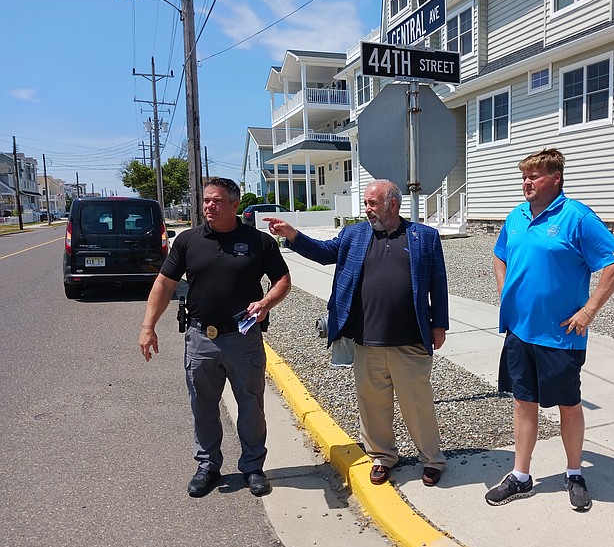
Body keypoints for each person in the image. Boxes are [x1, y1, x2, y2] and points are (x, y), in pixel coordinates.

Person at [267, 179, 449, 487]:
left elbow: (438, 284)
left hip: (410, 341)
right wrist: (293, 235)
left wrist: (439, 324)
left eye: (373, 203)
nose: (367, 209)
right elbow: (324, 252)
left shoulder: (424, 237)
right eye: (366, 203)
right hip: (367, 341)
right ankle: (382, 457)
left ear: (393, 204)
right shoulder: (354, 235)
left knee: (418, 404)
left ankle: (431, 459)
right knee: (372, 404)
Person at [485, 149, 614, 510]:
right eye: (525, 176)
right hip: (519, 331)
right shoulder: (516, 216)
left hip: (561, 335)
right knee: (523, 403)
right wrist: (505, 290)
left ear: (556, 179)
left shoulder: (576, 217)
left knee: (568, 404)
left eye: (535, 175)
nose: (527, 182)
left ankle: (573, 472)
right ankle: (520, 475)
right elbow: (499, 254)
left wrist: (589, 310)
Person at [138, 177, 291, 498]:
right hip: (200, 336)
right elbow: (165, 284)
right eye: (206, 200)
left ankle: (252, 466)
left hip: (243, 335)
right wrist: (148, 325)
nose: (210, 206)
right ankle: (208, 465)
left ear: (234, 205)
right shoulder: (188, 241)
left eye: (217, 201)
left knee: (250, 404)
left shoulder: (259, 242)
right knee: (203, 404)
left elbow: (283, 280)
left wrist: (266, 303)